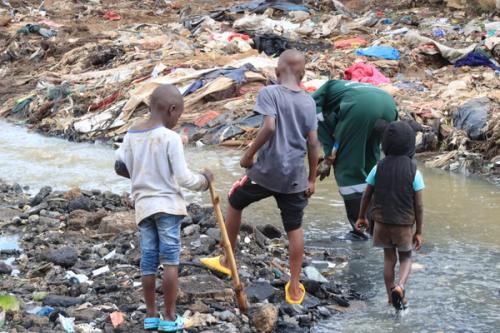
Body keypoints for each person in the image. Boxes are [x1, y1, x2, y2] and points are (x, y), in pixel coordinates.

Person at [200, 49, 319, 305]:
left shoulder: (269, 93)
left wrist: (248, 155)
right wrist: (311, 179)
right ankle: (295, 286)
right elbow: (313, 143)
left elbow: (269, 127)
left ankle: (226, 261)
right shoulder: (309, 102)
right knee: (294, 227)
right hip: (295, 177)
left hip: (265, 171)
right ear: (302, 75)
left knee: (234, 199)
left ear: (277, 73)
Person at [115, 84, 213, 332]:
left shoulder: (131, 134)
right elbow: (183, 178)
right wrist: (205, 181)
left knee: (148, 260)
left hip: (144, 206)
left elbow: (119, 166)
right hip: (168, 207)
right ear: (171, 110)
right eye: (178, 114)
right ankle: (169, 318)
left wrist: (141, 176)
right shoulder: (170, 138)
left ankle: (151, 315)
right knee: (170, 260)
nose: (177, 119)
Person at [313, 80, 398, 239]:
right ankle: (380, 227)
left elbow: (319, 125)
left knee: (347, 169)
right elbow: (338, 131)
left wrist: (329, 157)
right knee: (371, 164)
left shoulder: (311, 101)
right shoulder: (338, 92)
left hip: (361, 108)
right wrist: (332, 151)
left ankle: (361, 231)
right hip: (388, 105)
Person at [356, 121, 424, 310]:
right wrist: (418, 231)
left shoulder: (379, 167)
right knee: (406, 257)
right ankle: (401, 287)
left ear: (385, 144)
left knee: (388, 259)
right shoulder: (414, 171)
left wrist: (361, 217)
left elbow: (366, 195)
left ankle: (389, 295)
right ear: (411, 145)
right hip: (403, 224)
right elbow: (418, 205)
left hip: (381, 222)